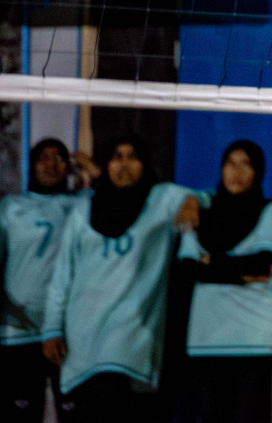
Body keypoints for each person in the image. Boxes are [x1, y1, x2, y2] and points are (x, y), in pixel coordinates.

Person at [41, 135, 202, 422]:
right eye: (116, 156)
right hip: (82, 342)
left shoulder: (161, 199)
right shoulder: (84, 209)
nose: (124, 164)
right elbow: (63, 274)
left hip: (132, 338)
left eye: (132, 156)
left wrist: (192, 200)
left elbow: (206, 196)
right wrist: (52, 327)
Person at [177, 140, 272, 423]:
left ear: (258, 171)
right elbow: (189, 270)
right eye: (230, 163)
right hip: (205, 340)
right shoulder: (198, 213)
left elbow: (260, 264)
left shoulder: (270, 211)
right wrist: (236, 272)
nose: (235, 172)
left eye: (245, 164)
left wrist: (209, 262)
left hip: (253, 340)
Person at [0, 139, 93, 423]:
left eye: (59, 157)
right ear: (32, 164)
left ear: (69, 166)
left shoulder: (85, 204)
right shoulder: (10, 206)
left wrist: (95, 172)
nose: (51, 164)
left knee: (75, 413)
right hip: (18, 329)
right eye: (43, 157)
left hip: (70, 331)